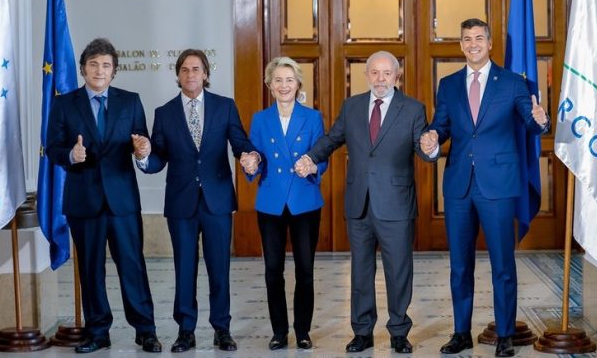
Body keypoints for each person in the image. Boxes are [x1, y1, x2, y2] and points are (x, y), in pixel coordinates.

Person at [421, 18, 549, 357]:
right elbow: (441, 126)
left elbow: (530, 120)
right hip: (459, 185)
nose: (473, 44)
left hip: (499, 185)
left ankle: (505, 335)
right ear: (461, 45)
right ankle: (461, 333)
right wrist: (432, 139)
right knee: (460, 265)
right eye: (467, 39)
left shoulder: (512, 82)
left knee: (502, 264)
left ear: (490, 43)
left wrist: (541, 120)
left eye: (479, 38)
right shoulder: (448, 85)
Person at [295, 50, 436, 354]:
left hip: (396, 204)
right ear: (366, 75)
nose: (380, 79)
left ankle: (399, 331)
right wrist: (310, 158)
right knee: (360, 271)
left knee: (398, 271)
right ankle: (362, 332)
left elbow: (423, 150)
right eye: (374, 72)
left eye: (387, 73)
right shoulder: (352, 106)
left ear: (397, 76)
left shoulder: (413, 109)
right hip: (358, 203)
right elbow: (332, 139)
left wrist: (431, 147)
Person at [133, 49, 260, 353]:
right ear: (178, 76)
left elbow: (240, 143)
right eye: (185, 70)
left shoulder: (224, 106)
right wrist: (144, 156)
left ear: (205, 74)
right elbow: (159, 158)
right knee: (184, 268)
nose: (190, 74)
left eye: (196, 69)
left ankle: (222, 329)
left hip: (217, 201)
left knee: (219, 269)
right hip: (181, 203)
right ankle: (185, 331)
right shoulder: (164, 113)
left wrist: (250, 157)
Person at [46, 38, 161, 354]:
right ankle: (98, 332)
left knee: (132, 266)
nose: (99, 70)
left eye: (106, 65)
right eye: (94, 64)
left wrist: (143, 149)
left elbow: (141, 141)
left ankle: (146, 331)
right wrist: (71, 155)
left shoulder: (130, 101)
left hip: (122, 201)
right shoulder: (64, 104)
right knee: (90, 269)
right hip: (84, 202)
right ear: (83, 69)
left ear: (114, 71)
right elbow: (53, 147)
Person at [242, 57, 328, 351]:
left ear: (298, 83)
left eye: (289, 80)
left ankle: (302, 331)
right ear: (269, 85)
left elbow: (322, 155)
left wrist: (314, 166)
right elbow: (255, 156)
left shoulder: (313, 117)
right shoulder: (260, 119)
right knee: (272, 270)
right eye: (277, 80)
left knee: (305, 269)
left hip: (304, 201)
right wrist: (251, 162)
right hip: (271, 202)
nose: (284, 85)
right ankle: (279, 331)